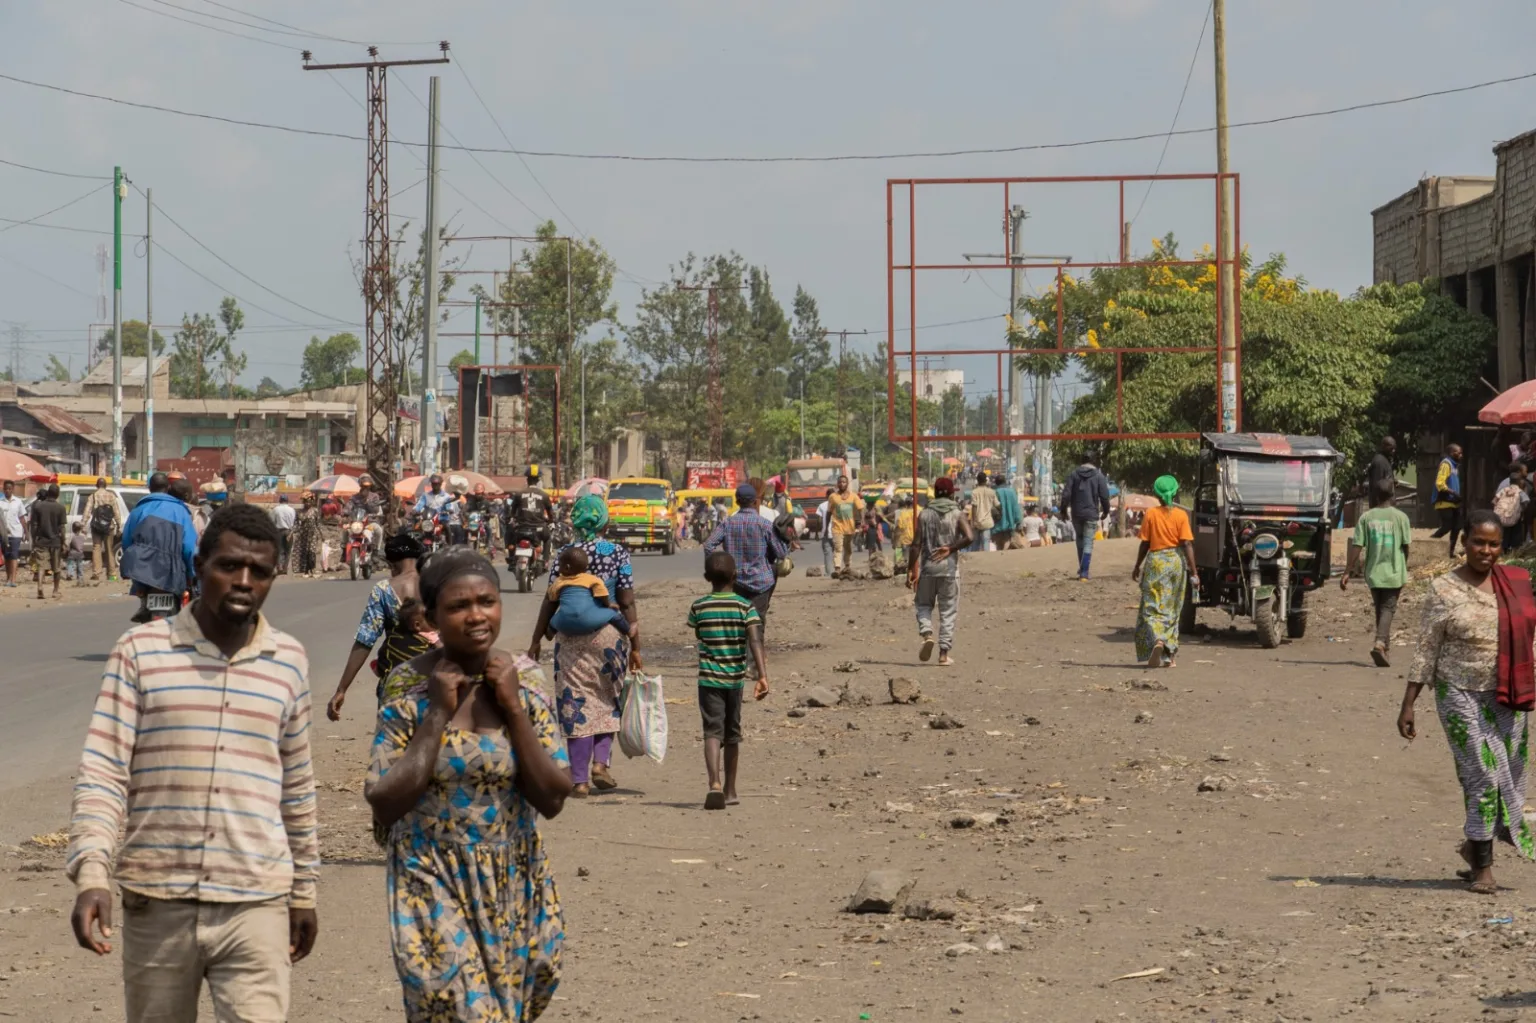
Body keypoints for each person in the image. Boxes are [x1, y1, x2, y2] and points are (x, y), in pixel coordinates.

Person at [66, 504, 318, 1020]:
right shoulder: (140, 651)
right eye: (228, 566)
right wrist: (92, 871)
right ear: (199, 565)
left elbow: (296, 786)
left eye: (260, 572)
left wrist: (305, 891)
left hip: (256, 901)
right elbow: (104, 772)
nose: (243, 582)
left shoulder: (289, 660)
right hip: (157, 901)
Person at [365, 550, 570, 1021]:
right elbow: (384, 801)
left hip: (514, 876)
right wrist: (436, 712)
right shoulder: (407, 687)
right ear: (431, 616)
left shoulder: (525, 679)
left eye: (487, 601)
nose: (476, 615)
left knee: (514, 1006)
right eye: (459, 606)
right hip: (429, 873)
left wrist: (514, 709)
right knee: (460, 1007)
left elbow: (553, 797)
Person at [1399, 510, 1536, 895]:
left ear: (1501, 547)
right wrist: (1408, 703)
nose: (1486, 550)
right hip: (1458, 693)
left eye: (1494, 544)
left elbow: (1529, 639)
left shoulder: (1516, 584)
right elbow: (1427, 648)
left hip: (1508, 696)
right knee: (1482, 776)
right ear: (1464, 542)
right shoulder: (1443, 589)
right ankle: (1484, 870)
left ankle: (1472, 848)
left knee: (1509, 776)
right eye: (1479, 542)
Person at [528, 493, 639, 798]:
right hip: (609, 636)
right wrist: (636, 643)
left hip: (570, 640)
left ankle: (579, 780)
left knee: (574, 702)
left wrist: (537, 639)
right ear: (604, 520)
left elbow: (550, 600)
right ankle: (601, 764)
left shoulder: (565, 554)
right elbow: (627, 600)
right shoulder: (617, 552)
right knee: (607, 697)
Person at [689, 551, 769, 810]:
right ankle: (730, 789)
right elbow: (755, 639)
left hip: (709, 679)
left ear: (706, 578)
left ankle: (713, 782)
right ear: (736, 576)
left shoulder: (699, 606)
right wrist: (762, 674)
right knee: (732, 734)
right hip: (734, 681)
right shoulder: (745, 607)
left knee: (712, 731)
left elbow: (698, 632)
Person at [327, 533, 430, 720]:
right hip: (438, 682)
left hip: (397, 683)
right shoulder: (438, 585)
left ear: (393, 564)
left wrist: (342, 689)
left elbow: (365, 641)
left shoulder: (384, 590)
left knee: (393, 743)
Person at [1342, 477, 1413, 667]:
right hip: (1394, 571)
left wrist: (1347, 571)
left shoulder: (1366, 518)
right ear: (1393, 495)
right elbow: (1406, 547)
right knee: (1388, 609)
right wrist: (1403, 566)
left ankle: (1384, 650)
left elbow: (1357, 546)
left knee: (1381, 609)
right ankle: (1380, 643)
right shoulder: (1401, 518)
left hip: (1373, 573)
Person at [1131, 476, 1198, 669]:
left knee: (1152, 606)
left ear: (1157, 495)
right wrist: (1194, 571)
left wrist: (1137, 566)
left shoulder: (1151, 514)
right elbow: (1186, 544)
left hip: (1156, 562)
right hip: (1176, 563)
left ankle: (1157, 641)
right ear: (1175, 492)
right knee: (1173, 607)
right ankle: (1169, 656)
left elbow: (1145, 543)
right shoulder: (1181, 516)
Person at [907, 476, 973, 666]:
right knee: (948, 611)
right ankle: (943, 654)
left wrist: (911, 569)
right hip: (950, 570)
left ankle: (927, 633)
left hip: (928, 569)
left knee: (923, 605)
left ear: (935, 493)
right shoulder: (957, 513)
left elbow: (915, 545)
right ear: (952, 493)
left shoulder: (925, 514)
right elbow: (969, 537)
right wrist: (951, 548)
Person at [703, 483, 790, 625]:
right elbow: (781, 554)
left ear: (737, 502)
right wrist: (785, 540)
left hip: (735, 581)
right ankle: (756, 646)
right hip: (761, 582)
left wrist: (716, 569)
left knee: (738, 623)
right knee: (757, 622)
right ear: (755, 501)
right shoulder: (765, 524)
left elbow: (708, 545)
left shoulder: (727, 523)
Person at [120, 471, 198, 622]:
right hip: (172, 571)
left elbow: (126, 543)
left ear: (149, 488)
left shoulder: (138, 511)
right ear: (168, 487)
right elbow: (189, 547)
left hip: (143, 572)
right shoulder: (181, 511)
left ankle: (144, 603)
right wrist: (192, 574)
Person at [546, 546, 630, 636]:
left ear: (566, 567)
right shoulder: (591, 579)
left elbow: (552, 597)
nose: (558, 569)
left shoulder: (559, 581)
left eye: (560, 565)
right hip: (589, 621)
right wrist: (608, 604)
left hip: (564, 622)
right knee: (613, 614)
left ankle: (549, 634)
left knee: (553, 620)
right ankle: (627, 631)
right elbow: (602, 592)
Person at [1060, 456, 1112, 580]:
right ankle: (1084, 572)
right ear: (1094, 462)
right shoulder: (1099, 476)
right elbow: (1104, 496)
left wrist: (1063, 510)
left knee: (1080, 540)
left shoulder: (1073, 474)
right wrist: (1106, 511)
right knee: (1088, 542)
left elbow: (1066, 494)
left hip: (1076, 514)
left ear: (1081, 461)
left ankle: (1082, 568)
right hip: (1091, 513)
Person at [507, 466, 555, 563]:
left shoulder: (519, 494)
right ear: (538, 481)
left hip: (521, 528)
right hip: (539, 528)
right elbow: (550, 512)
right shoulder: (544, 495)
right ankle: (545, 561)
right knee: (547, 539)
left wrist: (512, 518)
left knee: (509, 534)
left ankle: (511, 557)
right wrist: (551, 521)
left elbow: (512, 512)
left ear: (527, 480)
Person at [30, 483, 66, 600]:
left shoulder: (38, 507)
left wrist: (34, 539)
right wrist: (64, 541)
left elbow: (34, 525)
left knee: (41, 566)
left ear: (48, 493)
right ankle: (55, 591)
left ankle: (40, 587)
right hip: (55, 542)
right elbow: (62, 528)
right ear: (57, 495)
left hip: (41, 540)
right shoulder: (61, 508)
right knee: (56, 568)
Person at [82, 477, 120, 583]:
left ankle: (96, 574)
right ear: (106, 485)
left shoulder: (93, 496)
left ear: (96, 485)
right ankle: (112, 575)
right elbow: (116, 512)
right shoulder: (111, 496)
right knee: (109, 549)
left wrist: (83, 524)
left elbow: (87, 511)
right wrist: (119, 526)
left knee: (96, 548)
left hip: (96, 527)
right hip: (109, 527)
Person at [1431, 443, 1465, 558]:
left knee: (1457, 526)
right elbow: (1440, 483)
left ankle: (1450, 552)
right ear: (1452, 453)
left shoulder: (1455, 466)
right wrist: (1453, 492)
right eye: (1459, 453)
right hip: (1444, 501)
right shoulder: (1446, 464)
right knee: (1447, 525)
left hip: (1454, 502)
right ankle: (1431, 542)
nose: (1461, 455)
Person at [826, 474, 862, 579]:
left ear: (847, 484)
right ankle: (837, 568)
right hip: (837, 527)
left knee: (848, 548)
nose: (842, 484)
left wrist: (861, 522)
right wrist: (826, 525)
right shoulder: (833, 497)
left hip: (850, 528)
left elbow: (860, 509)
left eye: (844, 482)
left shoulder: (853, 496)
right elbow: (829, 512)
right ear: (837, 484)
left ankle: (847, 566)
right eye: (840, 482)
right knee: (838, 547)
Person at [1493, 464, 1532, 552]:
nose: (1526, 472)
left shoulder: (1505, 487)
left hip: (1502, 517)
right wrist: (1520, 508)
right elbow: (1526, 501)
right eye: (1525, 470)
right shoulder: (1518, 489)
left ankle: (1503, 552)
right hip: (1514, 517)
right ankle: (1513, 554)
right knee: (1515, 536)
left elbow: (1494, 500)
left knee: (1504, 536)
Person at [0, 478, 25, 588]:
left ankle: (13, 580)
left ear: (13, 489)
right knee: (7, 556)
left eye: (10, 489)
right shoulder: (0, 502)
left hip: (16, 533)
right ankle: (8, 578)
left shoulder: (18, 502)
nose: (8, 491)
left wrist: (27, 532)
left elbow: (22, 518)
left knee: (14, 556)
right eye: (6, 489)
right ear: (3, 489)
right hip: (4, 534)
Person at [291, 493, 322, 576]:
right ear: (303, 502)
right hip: (303, 535)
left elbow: (318, 524)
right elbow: (296, 524)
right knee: (304, 552)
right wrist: (291, 533)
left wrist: (322, 535)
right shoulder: (299, 512)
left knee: (311, 551)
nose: (307, 503)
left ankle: (312, 569)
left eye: (309, 502)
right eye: (306, 502)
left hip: (313, 534)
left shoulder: (315, 511)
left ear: (312, 502)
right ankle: (306, 570)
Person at [968, 472, 999, 553]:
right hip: (987, 522)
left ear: (977, 481)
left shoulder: (974, 492)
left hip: (977, 522)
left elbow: (974, 507)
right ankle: (987, 563)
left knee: (975, 545)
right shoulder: (992, 492)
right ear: (986, 481)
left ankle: (974, 562)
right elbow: (998, 505)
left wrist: (973, 521)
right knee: (986, 543)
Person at [992, 474, 1023, 550]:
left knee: (998, 541)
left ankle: (1000, 553)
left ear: (996, 482)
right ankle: (1004, 552)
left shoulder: (995, 492)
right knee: (1007, 539)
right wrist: (1018, 520)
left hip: (998, 522)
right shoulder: (1012, 492)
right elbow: (1016, 507)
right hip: (1010, 521)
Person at [270, 493, 296, 572]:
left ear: (280, 500)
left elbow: (272, 521)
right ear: (287, 501)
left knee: (280, 550)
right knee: (288, 550)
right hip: (289, 532)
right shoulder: (292, 510)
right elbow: (294, 522)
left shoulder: (276, 509)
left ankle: (280, 567)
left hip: (279, 532)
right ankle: (285, 568)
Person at [892, 494, 916, 574]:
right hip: (915, 538)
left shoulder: (903, 513)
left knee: (905, 557)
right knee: (914, 557)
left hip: (905, 539)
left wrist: (895, 541)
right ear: (912, 504)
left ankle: (906, 572)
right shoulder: (917, 512)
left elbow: (899, 527)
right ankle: (912, 571)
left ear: (905, 504)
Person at [816, 487, 836, 577]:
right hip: (837, 532)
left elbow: (819, 521)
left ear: (826, 496)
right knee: (837, 553)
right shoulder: (838, 504)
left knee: (827, 553)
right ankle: (837, 570)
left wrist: (817, 533)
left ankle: (829, 572)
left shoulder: (822, 506)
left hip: (826, 533)